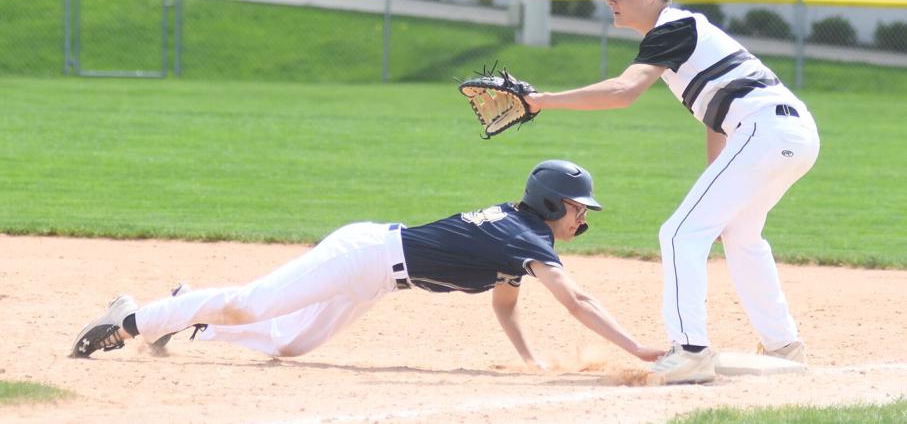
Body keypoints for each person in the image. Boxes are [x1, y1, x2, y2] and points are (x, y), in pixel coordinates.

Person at [524, 0, 820, 384]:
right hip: (791, 134)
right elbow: (716, 120)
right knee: (740, 234)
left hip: (766, 131)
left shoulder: (672, 28)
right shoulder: (683, 33)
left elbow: (624, 91)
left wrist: (542, 100)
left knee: (679, 232)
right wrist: (715, 185)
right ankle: (783, 346)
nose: (611, 1)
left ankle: (691, 351)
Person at [71, 160, 665, 369]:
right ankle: (132, 320)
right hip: (364, 257)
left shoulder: (521, 238)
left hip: (376, 276)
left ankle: (191, 313)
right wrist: (638, 349)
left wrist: (532, 362)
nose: (583, 221)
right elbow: (577, 301)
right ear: (551, 203)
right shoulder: (525, 236)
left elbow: (505, 303)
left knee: (289, 347)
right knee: (251, 302)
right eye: (579, 210)